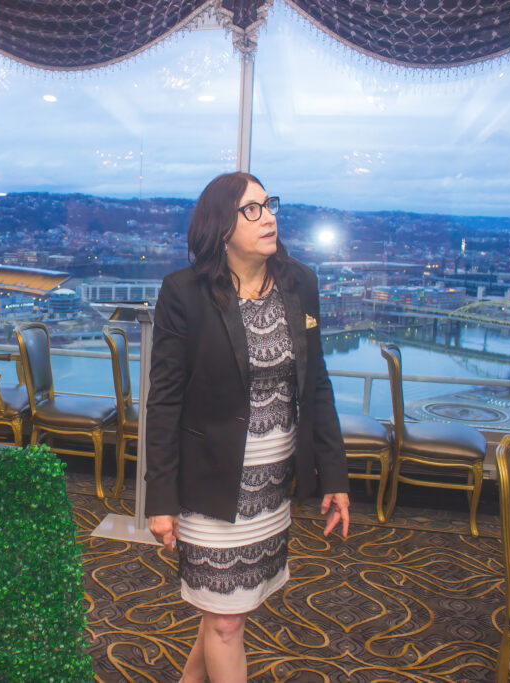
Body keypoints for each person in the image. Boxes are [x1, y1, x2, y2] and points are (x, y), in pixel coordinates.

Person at [145, 172, 350, 682]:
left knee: (225, 612)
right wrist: (160, 499)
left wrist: (335, 475)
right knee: (226, 620)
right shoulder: (183, 293)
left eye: (269, 205)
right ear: (221, 226)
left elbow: (317, 382)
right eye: (251, 210)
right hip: (210, 488)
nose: (269, 217)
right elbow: (164, 402)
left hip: (271, 487)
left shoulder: (300, 283)